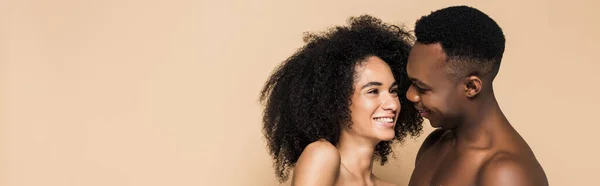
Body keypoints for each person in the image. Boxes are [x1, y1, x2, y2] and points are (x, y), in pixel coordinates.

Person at [259, 15, 423, 185]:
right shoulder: (321, 155)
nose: (392, 104)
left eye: (393, 91)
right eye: (373, 91)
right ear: (335, 101)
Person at [405, 5, 548, 186]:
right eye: (411, 83)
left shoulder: (508, 175)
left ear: (471, 87)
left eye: (422, 88)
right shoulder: (435, 143)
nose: (410, 95)